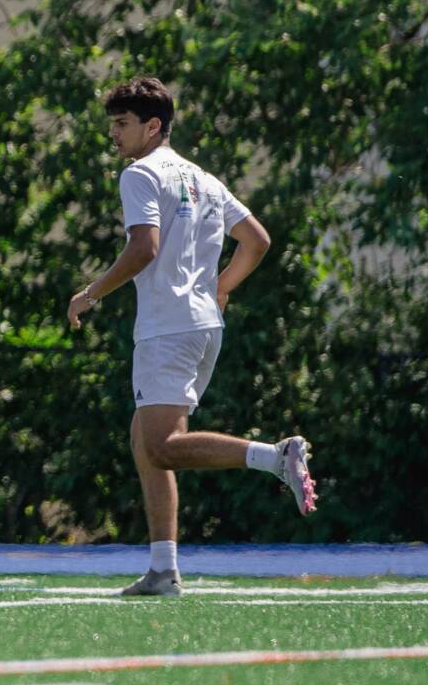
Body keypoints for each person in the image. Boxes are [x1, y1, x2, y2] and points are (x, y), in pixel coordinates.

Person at [67, 77, 316, 597]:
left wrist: (91, 294)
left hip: (169, 328)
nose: (113, 134)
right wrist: (220, 288)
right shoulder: (203, 178)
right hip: (202, 326)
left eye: (122, 123)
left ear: (152, 126)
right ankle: (163, 570)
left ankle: (275, 456)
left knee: (161, 446)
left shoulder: (139, 174)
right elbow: (257, 240)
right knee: (144, 440)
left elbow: (144, 248)